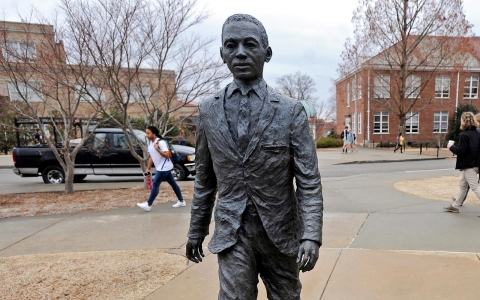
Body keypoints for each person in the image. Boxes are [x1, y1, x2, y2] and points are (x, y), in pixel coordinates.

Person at [185, 14, 323, 300]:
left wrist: (311, 235)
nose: (241, 53)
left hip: (281, 232)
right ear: (222, 54)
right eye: (231, 45)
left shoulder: (290, 111)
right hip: (232, 232)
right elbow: (205, 180)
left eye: (250, 44)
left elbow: (308, 182)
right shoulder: (208, 111)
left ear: (267, 53)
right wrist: (196, 230)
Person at [136, 126, 185, 211]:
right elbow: (151, 157)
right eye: (146, 133)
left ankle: (148, 204)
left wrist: (157, 149)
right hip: (161, 166)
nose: (146, 135)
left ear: (154, 134)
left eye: (148, 133)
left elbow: (167, 155)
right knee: (173, 183)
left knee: (155, 184)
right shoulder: (150, 143)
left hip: (164, 167)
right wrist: (148, 169)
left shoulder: (160, 142)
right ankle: (181, 201)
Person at [443, 112, 480, 214]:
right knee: (463, 185)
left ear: (464, 121)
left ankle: (455, 205)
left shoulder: (464, 135)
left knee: (474, 187)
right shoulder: (477, 133)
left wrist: (451, 147)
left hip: (469, 165)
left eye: (461, 120)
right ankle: (455, 205)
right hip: (476, 163)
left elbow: (461, 151)